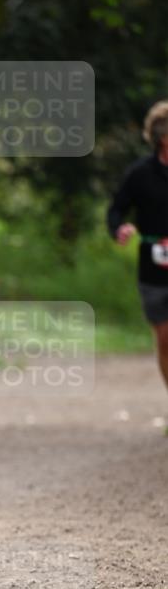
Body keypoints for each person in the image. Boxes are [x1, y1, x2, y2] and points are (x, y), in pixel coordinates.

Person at [107, 100, 168, 389]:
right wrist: (119, 228)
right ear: (163, 138)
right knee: (165, 339)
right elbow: (116, 209)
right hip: (153, 267)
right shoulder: (140, 173)